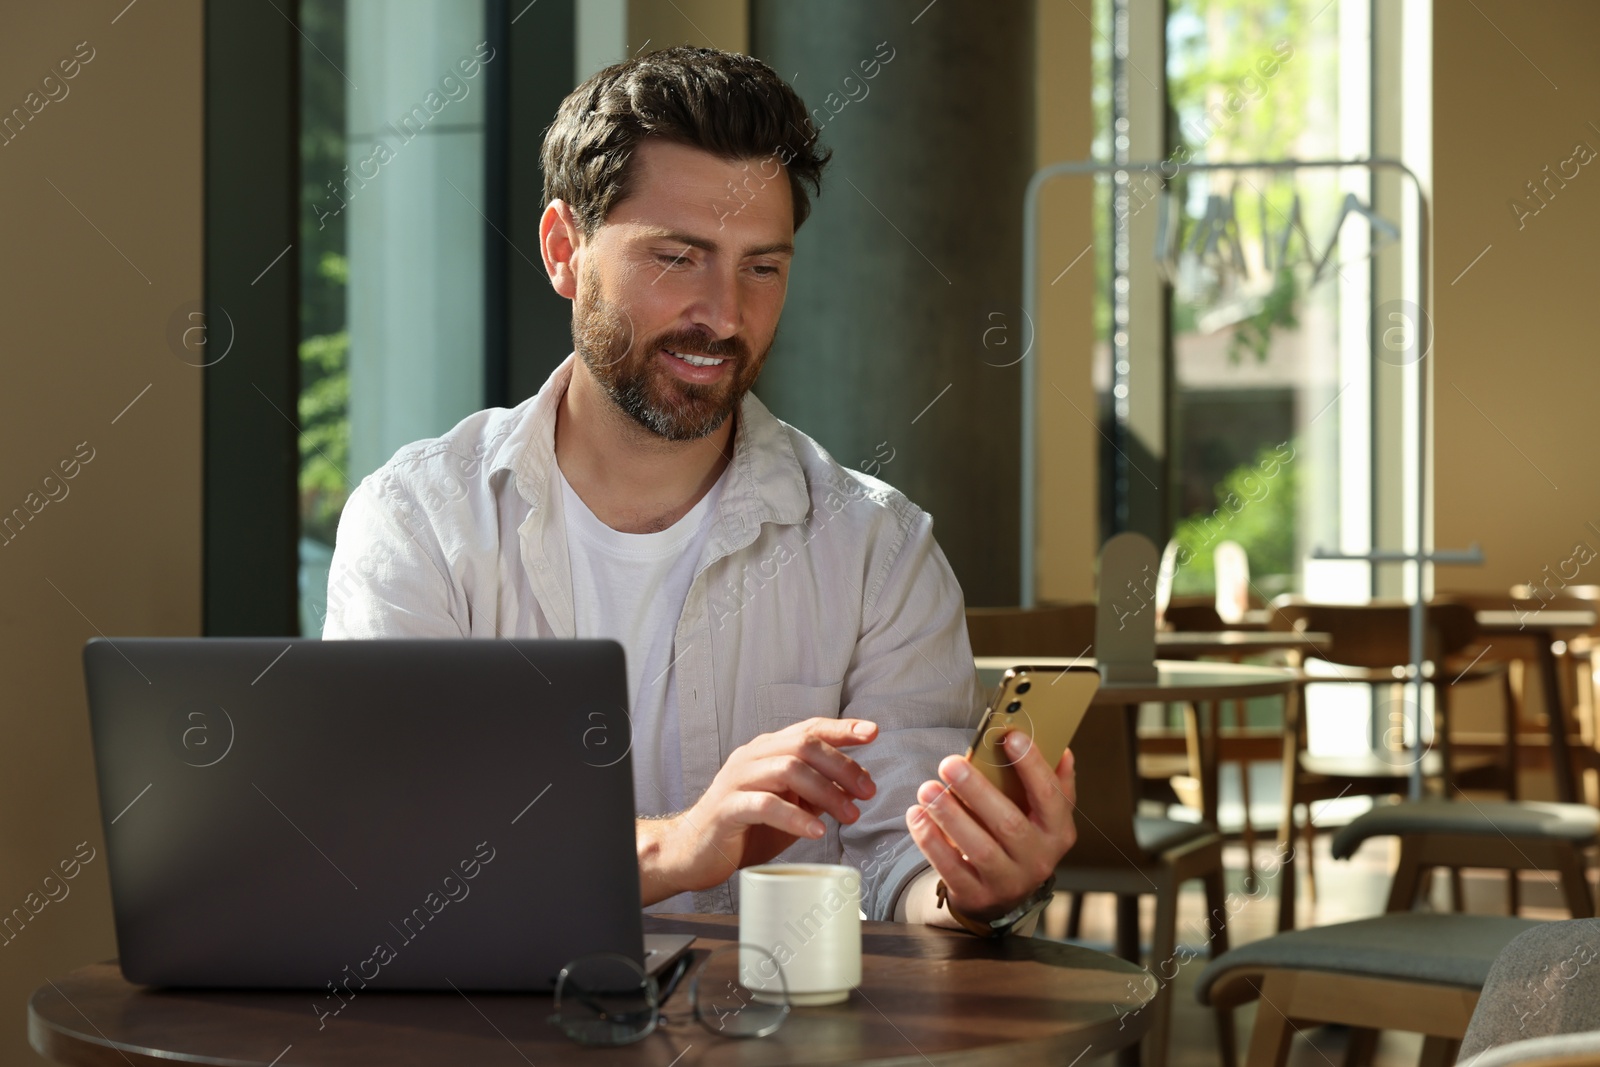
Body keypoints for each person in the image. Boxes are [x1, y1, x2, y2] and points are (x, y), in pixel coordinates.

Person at [324, 45, 1077, 936]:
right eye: (678, 258)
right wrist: (677, 847)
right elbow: (400, 847)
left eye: (761, 267)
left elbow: (900, 865)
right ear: (565, 251)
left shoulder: (879, 550)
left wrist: (972, 888)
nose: (723, 313)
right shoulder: (418, 523)